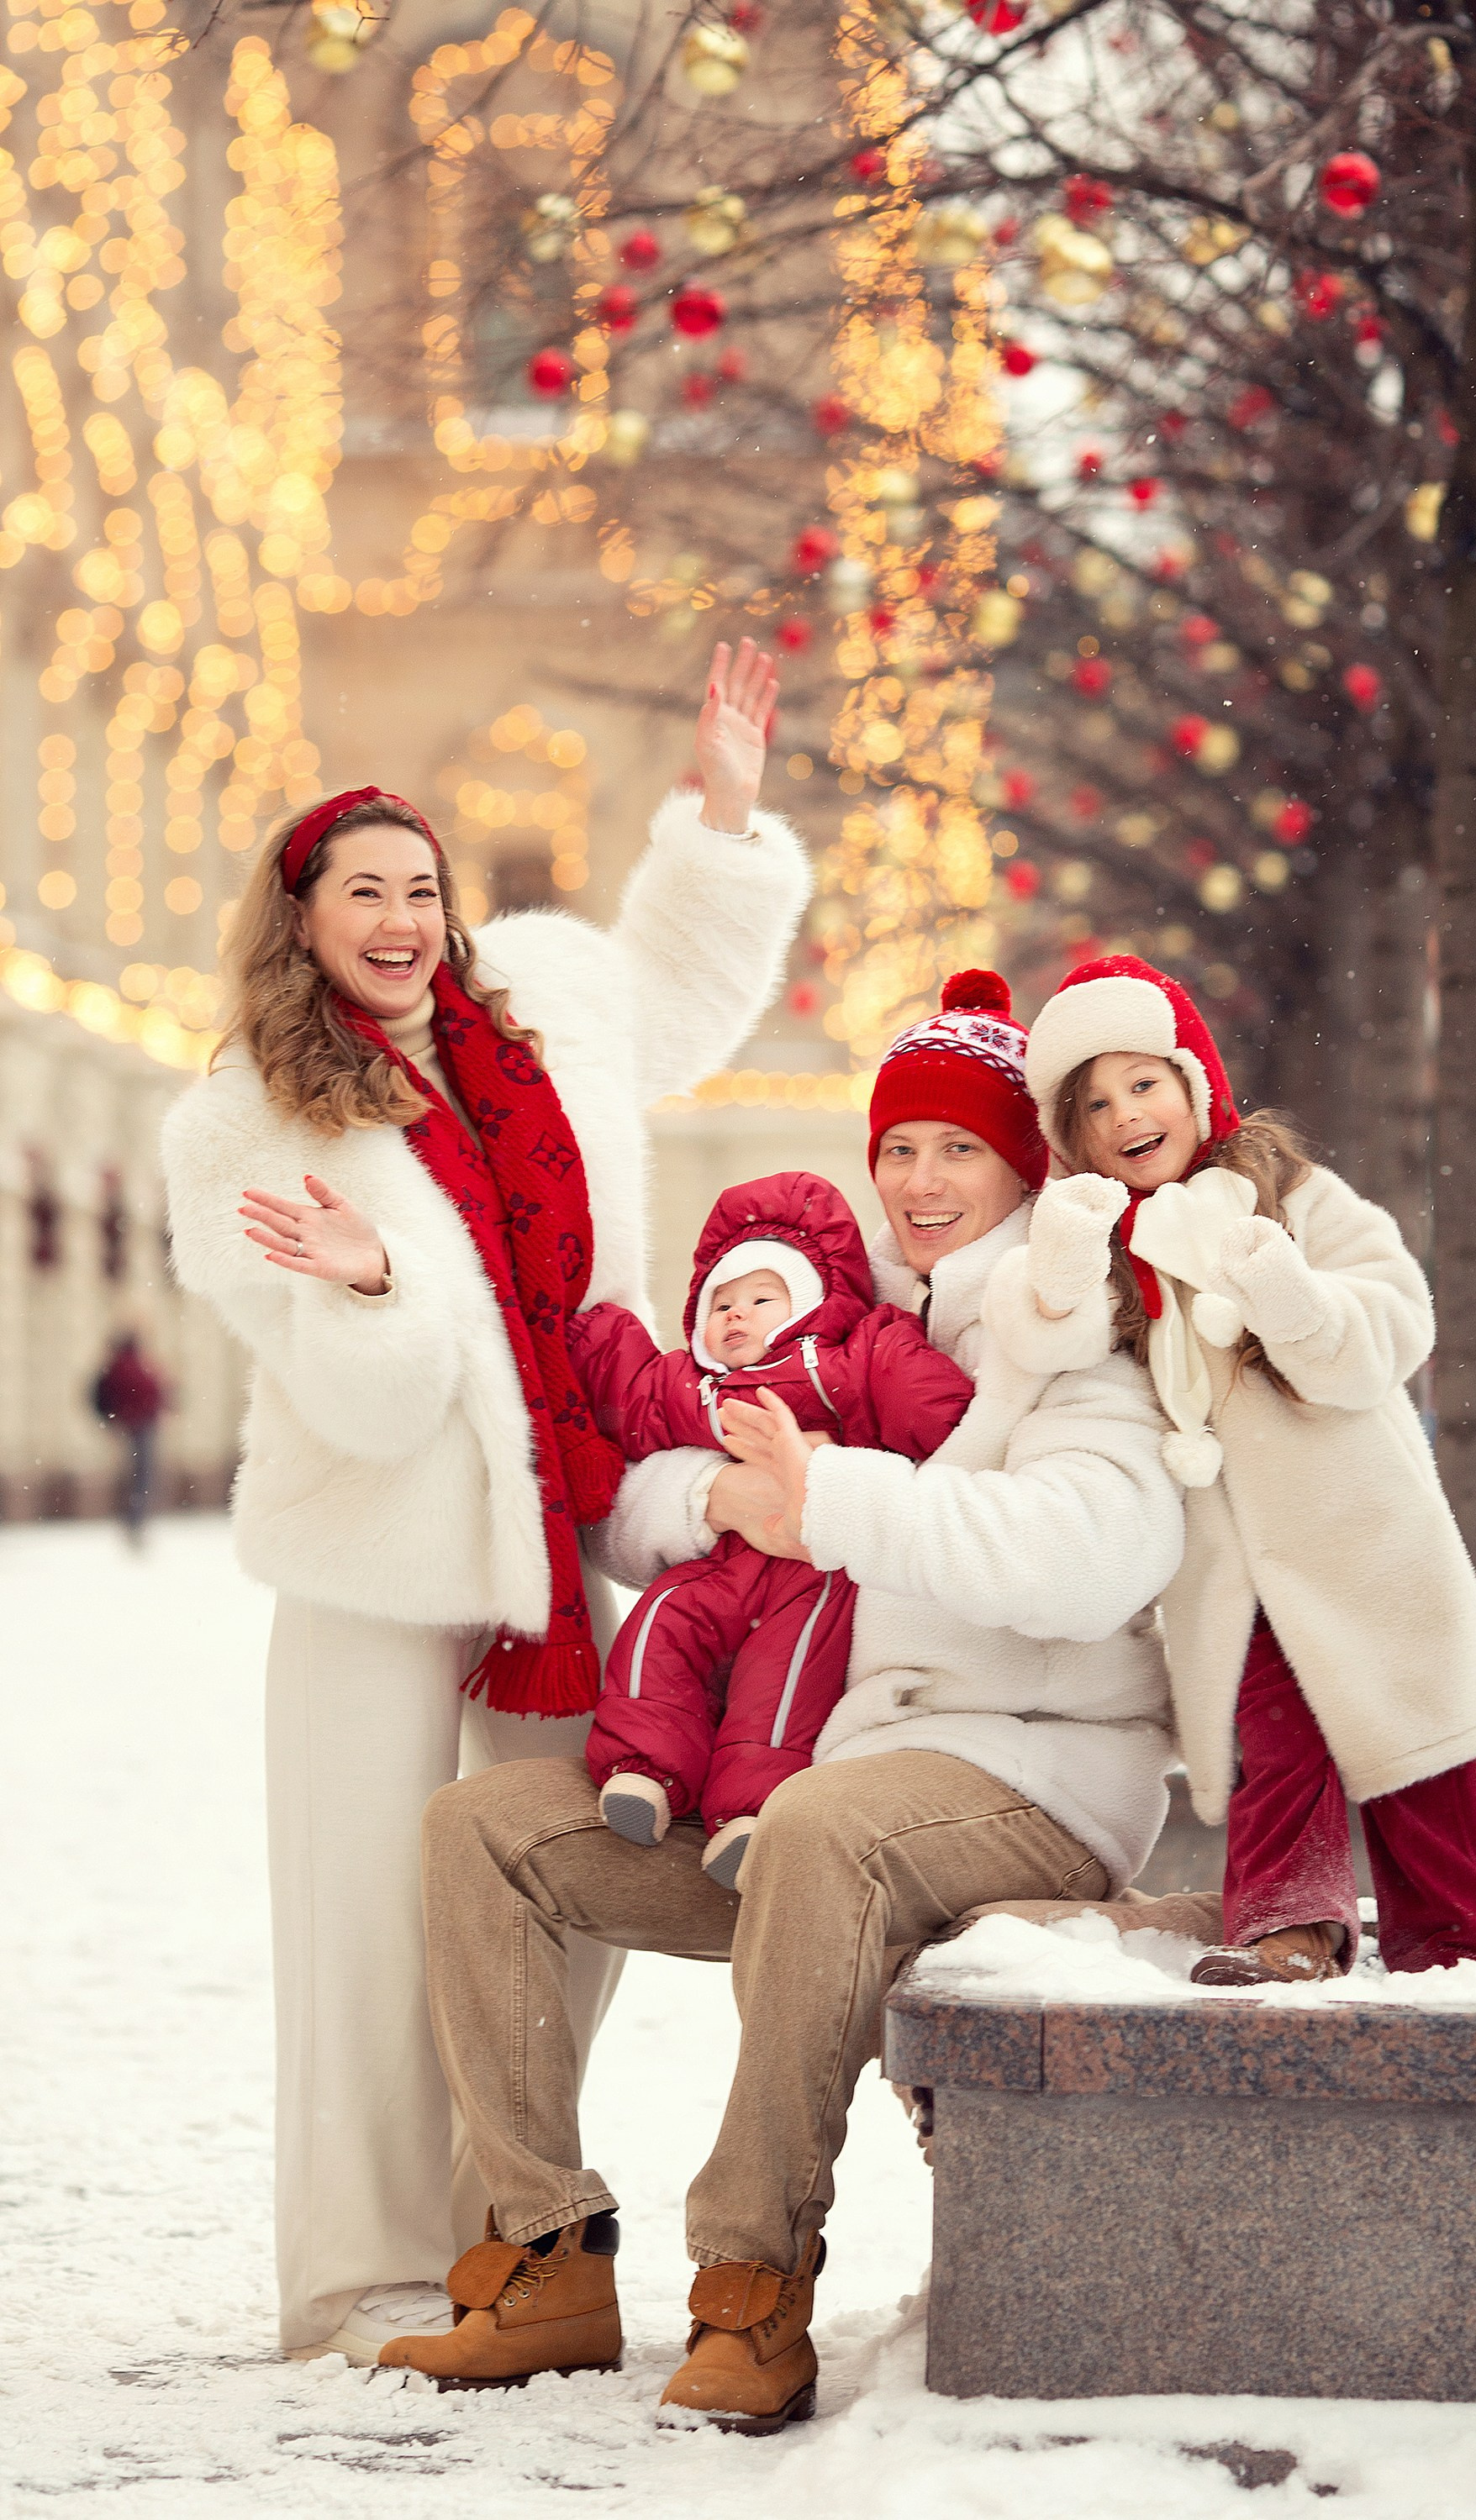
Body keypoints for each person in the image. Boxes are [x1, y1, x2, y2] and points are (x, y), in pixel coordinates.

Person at [378, 967, 1186, 2424]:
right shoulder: (839, 1313)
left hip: (1034, 1777)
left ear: (1028, 1164)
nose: (923, 1178)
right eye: (899, 1147)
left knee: (821, 1824)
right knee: (484, 1825)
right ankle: (549, 2245)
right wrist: (717, 1496)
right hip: (805, 1773)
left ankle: (754, 2285)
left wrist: (832, 1505)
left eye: (960, 1147)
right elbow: (646, 1505)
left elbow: (1094, 1558)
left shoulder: (1073, 1325)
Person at [161, 639, 809, 2363]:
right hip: (375, 1550)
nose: (399, 916)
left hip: (556, 1539)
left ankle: (508, 2221)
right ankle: (366, 2264)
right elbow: (362, 1400)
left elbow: (673, 979)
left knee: (559, 1873)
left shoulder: (545, 1016)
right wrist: (375, 1284)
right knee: (364, 1910)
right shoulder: (242, 1119)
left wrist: (722, 818)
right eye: (361, 889)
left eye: (422, 887)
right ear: (298, 917)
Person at [1021, 953, 1476, 1986]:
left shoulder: (1293, 1196)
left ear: (1192, 1085)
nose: (1125, 1115)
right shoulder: (1107, 1251)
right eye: (1096, 1104)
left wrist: (1284, 1292)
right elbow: (1052, 1357)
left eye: (1142, 1083)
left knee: (1413, 1742)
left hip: (1358, 1535)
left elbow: (1392, 1323)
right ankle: (1286, 1925)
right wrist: (1066, 1266)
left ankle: (1457, 1949)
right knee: (1271, 1744)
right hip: (1228, 1564)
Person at [569, 1167, 976, 1886]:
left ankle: (747, 1813)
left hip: (810, 1574)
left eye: (761, 1298)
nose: (736, 1314)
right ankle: (644, 1769)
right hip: (722, 1560)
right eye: (721, 1302)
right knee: (660, 1621)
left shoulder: (842, 1362)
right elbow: (630, 1392)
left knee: (782, 1678)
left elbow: (933, 1408)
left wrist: (902, 1360)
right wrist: (594, 1331)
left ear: (810, 1305)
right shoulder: (694, 1386)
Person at [91, 1327, 167, 1543]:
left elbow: (99, 1396)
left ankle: (132, 1519)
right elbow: (157, 1392)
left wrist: (109, 1420)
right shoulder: (138, 1366)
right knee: (142, 1475)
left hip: (129, 1426)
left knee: (134, 1474)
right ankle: (135, 1520)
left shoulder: (115, 1367)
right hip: (141, 1426)